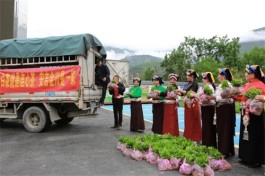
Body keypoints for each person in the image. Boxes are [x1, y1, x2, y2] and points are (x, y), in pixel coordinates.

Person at [237, 65, 265, 167]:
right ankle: (245, 157)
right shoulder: (248, 84)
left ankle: (254, 159)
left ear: (253, 75)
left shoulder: (260, 84)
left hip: (254, 114)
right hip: (245, 112)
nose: (245, 75)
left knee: (253, 136)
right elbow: (240, 94)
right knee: (245, 134)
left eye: (247, 73)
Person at [176, 69, 202, 142]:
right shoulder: (187, 84)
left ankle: (195, 137)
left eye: (188, 75)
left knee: (193, 120)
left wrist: (181, 91)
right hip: (187, 104)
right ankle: (188, 136)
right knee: (188, 121)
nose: (187, 77)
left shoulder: (195, 84)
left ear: (192, 76)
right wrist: (177, 93)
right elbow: (184, 93)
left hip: (192, 104)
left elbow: (190, 93)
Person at [215, 68, 235, 157]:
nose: (219, 76)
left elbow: (225, 97)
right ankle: (225, 149)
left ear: (224, 76)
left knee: (225, 129)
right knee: (222, 129)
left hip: (225, 108)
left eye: (220, 75)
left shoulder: (227, 85)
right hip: (222, 108)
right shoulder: (222, 84)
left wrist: (217, 98)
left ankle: (225, 150)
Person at [193, 72, 217, 147]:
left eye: (204, 78)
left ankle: (209, 144)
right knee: (206, 126)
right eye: (203, 78)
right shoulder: (205, 86)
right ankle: (206, 142)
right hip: (205, 107)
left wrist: (200, 98)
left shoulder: (209, 87)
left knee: (208, 126)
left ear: (208, 79)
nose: (203, 79)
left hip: (209, 108)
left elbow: (209, 98)